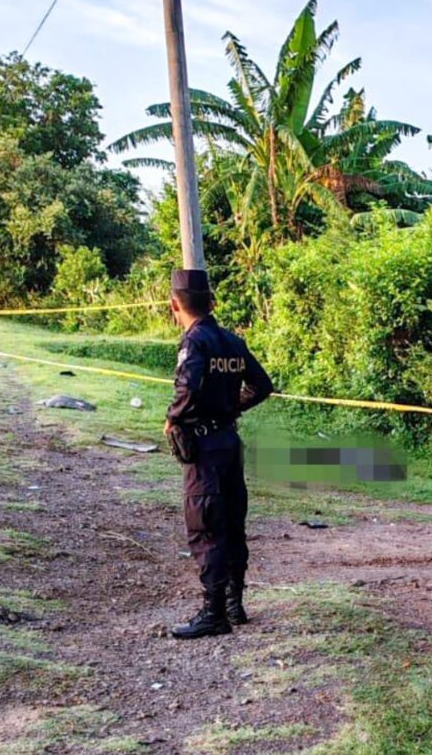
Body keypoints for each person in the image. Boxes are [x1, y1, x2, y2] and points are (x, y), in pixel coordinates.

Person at [164, 269, 273, 639]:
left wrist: (173, 418)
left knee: (206, 526)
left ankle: (213, 613)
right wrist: (231, 408)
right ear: (211, 302)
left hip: (205, 449)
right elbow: (262, 385)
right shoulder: (231, 341)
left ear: (174, 304)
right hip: (228, 442)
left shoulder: (195, 342)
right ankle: (234, 603)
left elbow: (189, 384)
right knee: (231, 523)